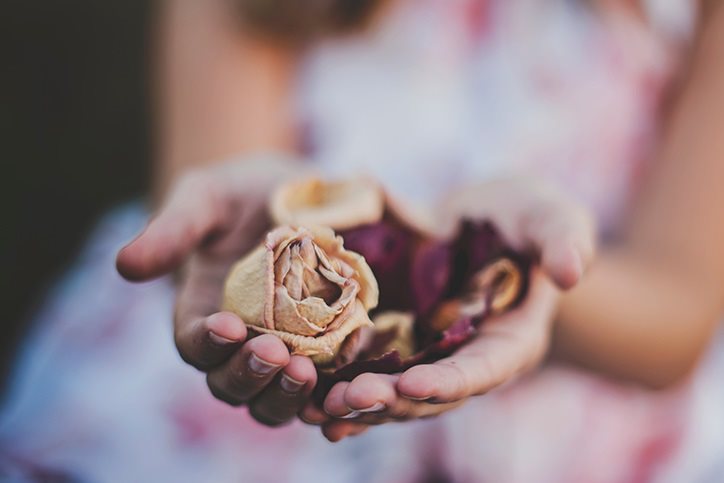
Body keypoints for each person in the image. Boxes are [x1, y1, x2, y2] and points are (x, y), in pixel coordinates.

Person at [3, 0, 724, 481]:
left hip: (569, 443)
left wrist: (514, 279)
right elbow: (203, 201)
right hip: (217, 440)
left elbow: (678, 309)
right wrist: (235, 245)